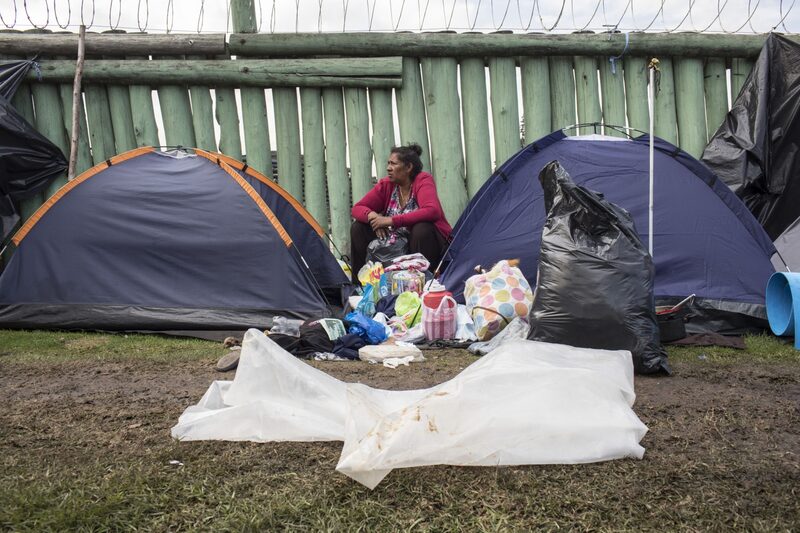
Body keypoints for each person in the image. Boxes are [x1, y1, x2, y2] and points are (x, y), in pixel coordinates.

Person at [350, 143, 452, 282]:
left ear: (408, 167)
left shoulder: (423, 180)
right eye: (388, 163)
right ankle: (361, 284)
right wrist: (373, 217)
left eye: (393, 164)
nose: (388, 168)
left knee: (422, 228)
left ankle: (427, 281)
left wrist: (390, 220)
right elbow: (357, 208)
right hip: (395, 245)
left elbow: (432, 211)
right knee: (358, 228)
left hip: (423, 245)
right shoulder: (387, 185)